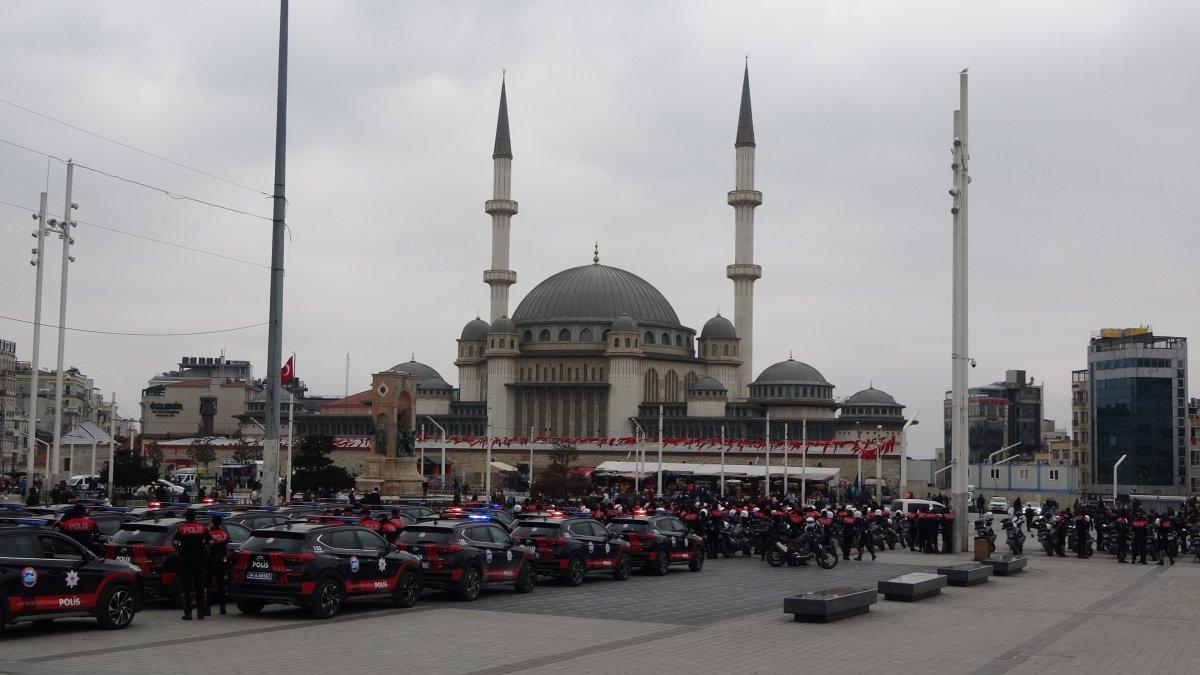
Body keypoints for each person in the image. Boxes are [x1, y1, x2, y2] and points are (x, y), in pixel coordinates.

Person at [172, 509, 211, 620]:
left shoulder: (181, 529)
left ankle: (188, 613)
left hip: (186, 561)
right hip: (199, 561)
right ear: (195, 517)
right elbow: (210, 542)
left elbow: (175, 543)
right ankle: (201, 612)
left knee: (187, 587)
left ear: (186, 517)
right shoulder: (203, 528)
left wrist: (181, 551)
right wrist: (204, 552)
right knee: (200, 586)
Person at [206, 515, 230, 616]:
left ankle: (207, 609)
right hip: (221, 562)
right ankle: (222, 608)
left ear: (212, 522)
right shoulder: (224, 534)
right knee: (221, 585)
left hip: (210, 561)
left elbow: (206, 547)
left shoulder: (209, 534)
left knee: (208, 585)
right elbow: (228, 547)